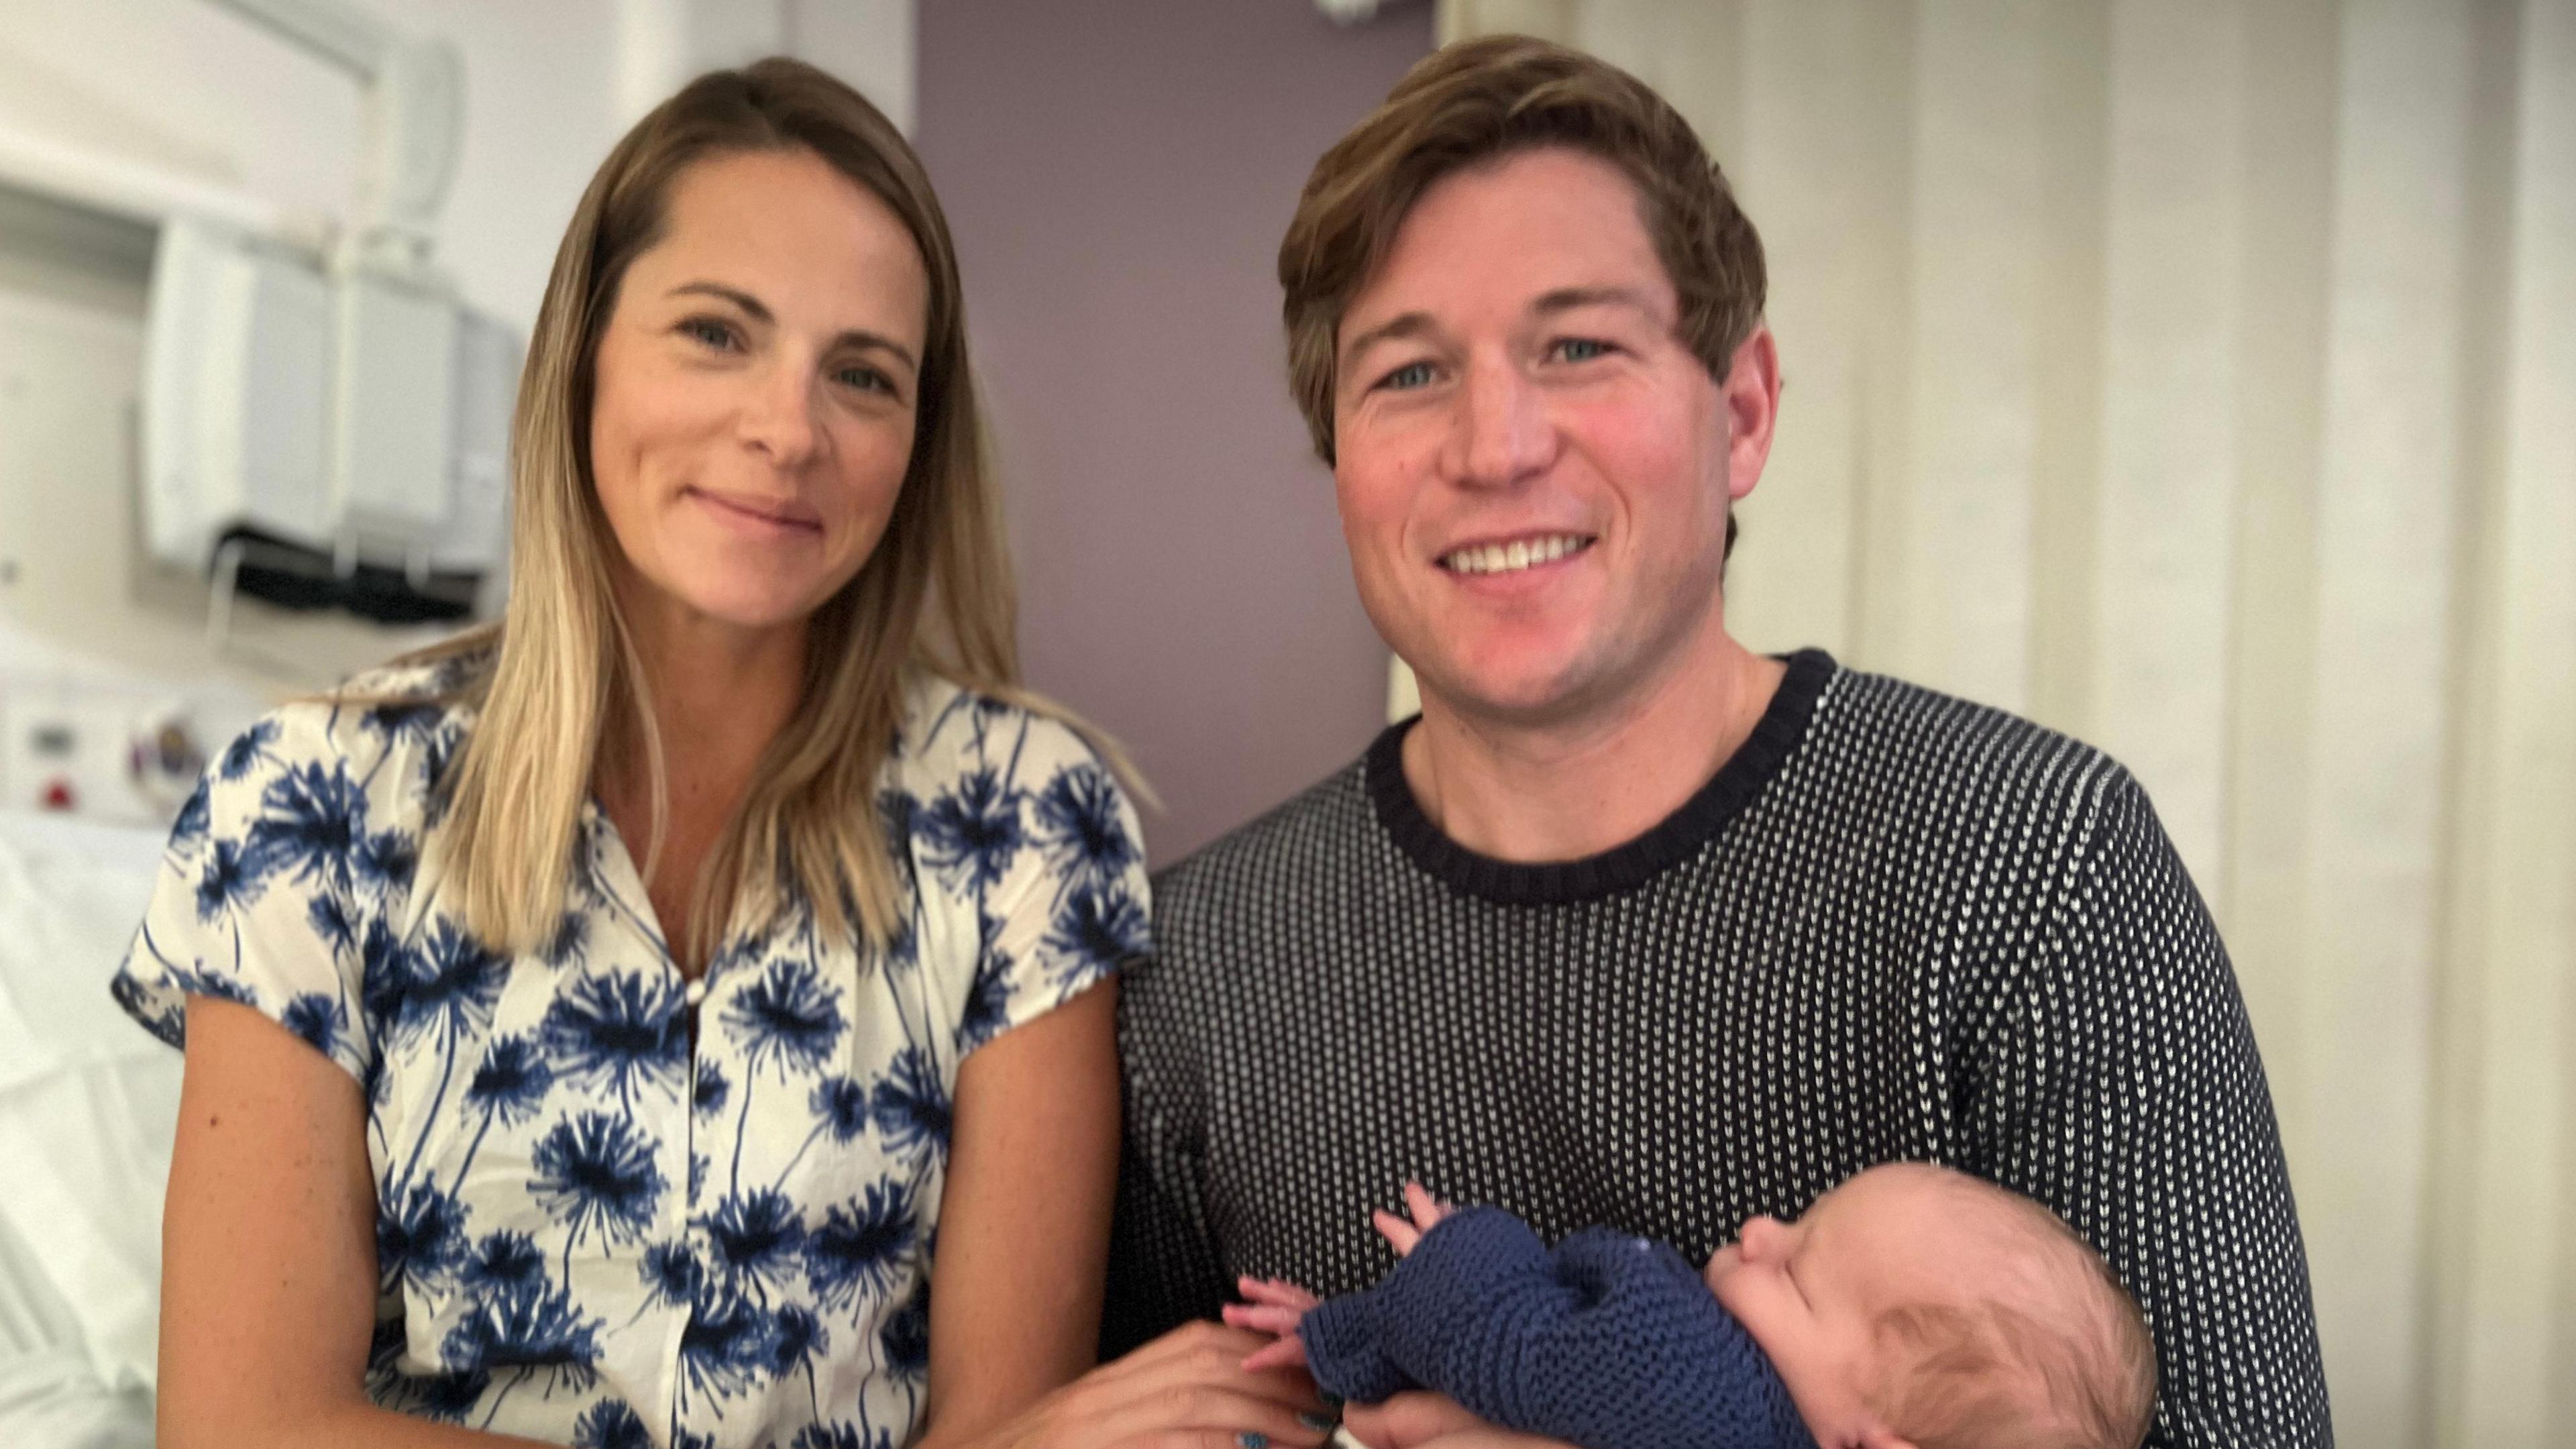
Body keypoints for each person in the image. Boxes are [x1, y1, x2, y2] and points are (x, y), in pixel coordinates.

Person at [1104, 35, 2331, 1449]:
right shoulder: (1200, 967)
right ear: (1341, 459)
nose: (1495, 445)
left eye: (1578, 347)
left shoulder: (2035, 867)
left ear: (1740, 414)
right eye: (1408, 374)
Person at [114, 58, 1322, 1449]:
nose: (787, 430)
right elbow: (242, 1427)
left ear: (917, 446)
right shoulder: (313, 804)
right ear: (582, 360)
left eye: (862, 375)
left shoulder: (1023, 823)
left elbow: (1005, 1428)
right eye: (715, 333)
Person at [1228, 1170, 2156, 1449]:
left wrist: (1450, 1258)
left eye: (1794, 1272)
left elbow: (1512, 1347)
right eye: (1800, 1222)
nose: (1757, 1229)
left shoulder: (1698, 1384)